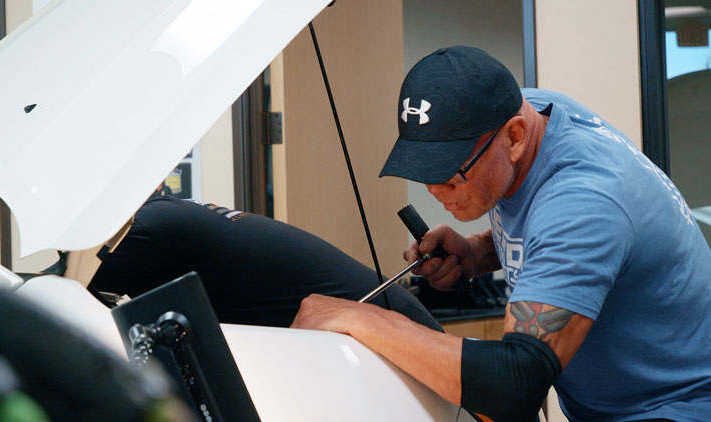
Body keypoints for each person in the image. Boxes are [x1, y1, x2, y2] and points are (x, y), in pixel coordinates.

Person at [291, 46, 711, 421]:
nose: (437, 190)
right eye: (425, 171)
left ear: (514, 137)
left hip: (672, 407)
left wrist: (364, 319)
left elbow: (514, 386)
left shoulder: (584, 201)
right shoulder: (538, 113)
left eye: (453, 172)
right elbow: (546, 230)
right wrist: (475, 253)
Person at [89, 195, 441, 331]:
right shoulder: (166, 214)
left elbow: (60, 307)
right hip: (396, 324)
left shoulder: (146, 233)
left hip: (392, 338)